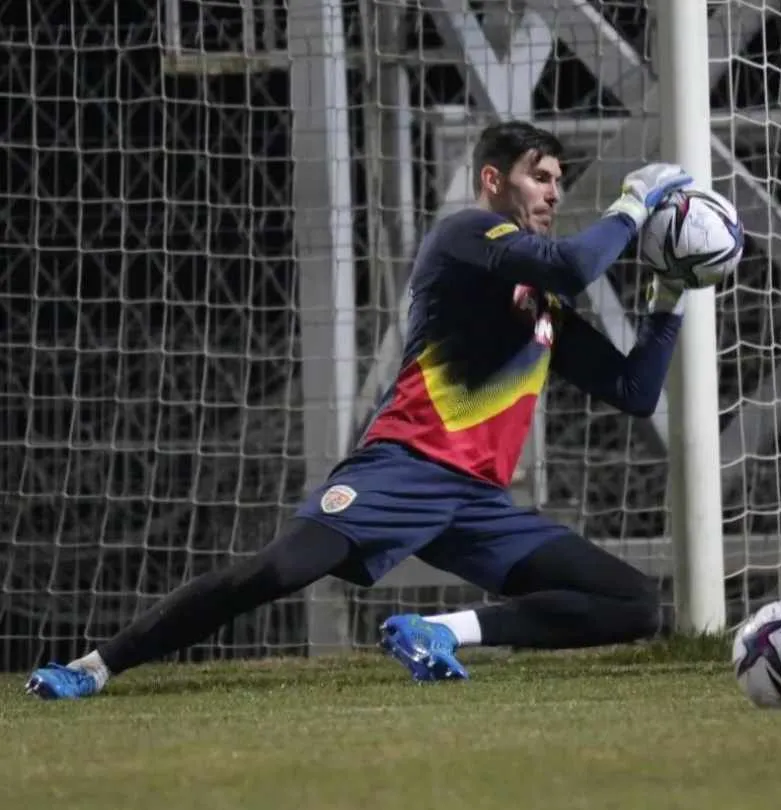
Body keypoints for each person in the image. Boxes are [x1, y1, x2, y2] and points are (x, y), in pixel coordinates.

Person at [25, 120, 693, 698]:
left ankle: (439, 632)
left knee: (634, 602)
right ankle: (95, 666)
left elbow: (634, 392)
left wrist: (672, 294)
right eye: (539, 177)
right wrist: (633, 204)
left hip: (477, 503)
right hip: (403, 470)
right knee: (273, 572)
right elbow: (574, 264)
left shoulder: (541, 306)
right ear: (493, 180)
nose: (553, 192)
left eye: (558, 181)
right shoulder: (467, 235)